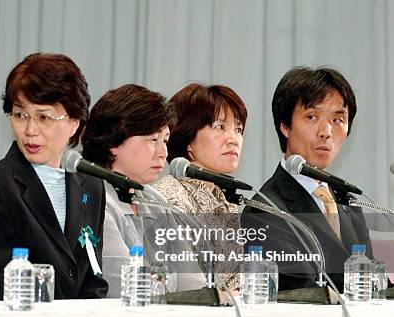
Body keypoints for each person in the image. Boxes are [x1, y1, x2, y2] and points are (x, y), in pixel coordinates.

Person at [0, 53, 108, 301]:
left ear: (74, 122)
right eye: (20, 115)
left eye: (44, 117)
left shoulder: (91, 186)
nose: (30, 130)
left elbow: (93, 279)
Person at [241, 66, 373, 292]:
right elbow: (301, 291)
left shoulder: (348, 203)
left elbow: (368, 283)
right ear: (285, 126)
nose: (326, 131)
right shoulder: (265, 210)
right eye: (312, 117)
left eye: (338, 120)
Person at [82, 84, 203, 297]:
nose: (163, 153)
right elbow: (124, 286)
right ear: (114, 142)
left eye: (165, 140)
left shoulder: (154, 200)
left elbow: (192, 281)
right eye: (153, 140)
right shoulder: (95, 199)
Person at [152, 83, 247, 290]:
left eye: (238, 129)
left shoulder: (225, 202)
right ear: (188, 139)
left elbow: (236, 281)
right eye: (220, 127)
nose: (233, 139)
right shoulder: (167, 197)